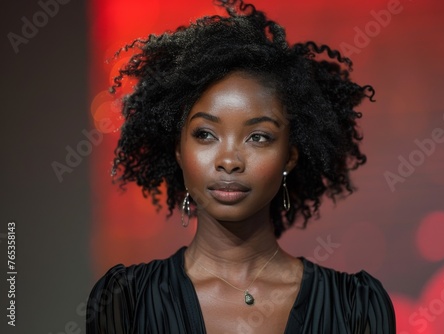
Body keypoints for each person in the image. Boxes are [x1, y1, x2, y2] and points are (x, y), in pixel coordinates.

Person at [86, 0, 396, 333]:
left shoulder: (354, 306)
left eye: (258, 137)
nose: (229, 161)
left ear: (290, 154)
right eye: (205, 134)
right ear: (178, 149)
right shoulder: (126, 300)